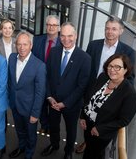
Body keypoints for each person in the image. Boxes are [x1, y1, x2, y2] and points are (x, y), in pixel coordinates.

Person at [75, 16, 136, 154]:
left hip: (110, 100)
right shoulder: (93, 45)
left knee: (100, 139)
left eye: (114, 29)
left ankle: (94, 146)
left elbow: (130, 78)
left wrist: (118, 99)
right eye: (107, 28)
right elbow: (86, 70)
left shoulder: (128, 52)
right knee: (89, 126)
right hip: (92, 95)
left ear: (121, 31)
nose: (110, 32)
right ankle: (87, 142)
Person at [41, 22, 91, 159]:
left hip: (71, 104)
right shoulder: (54, 52)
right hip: (53, 101)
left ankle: (68, 151)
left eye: (69, 35)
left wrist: (65, 103)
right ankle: (54, 144)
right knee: (54, 126)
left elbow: (82, 86)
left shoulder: (85, 58)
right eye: (62, 35)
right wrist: (49, 97)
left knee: (71, 130)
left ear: (76, 36)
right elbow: (47, 76)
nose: (66, 39)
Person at [80, 54, 136, 159]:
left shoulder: (130, 94)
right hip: (87, 125)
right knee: (88, 149)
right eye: (110, 66)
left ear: (126, 70)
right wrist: (83, 117)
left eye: (117, 67)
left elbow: (124, 120)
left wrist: (100, 129)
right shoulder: (103, 77)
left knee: (94, 154)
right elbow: (89, 97)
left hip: (101, 133)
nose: (112, 70)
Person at [8, 31, 46, 159]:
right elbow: (11, 82)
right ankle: (21, 147)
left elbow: (40, 93)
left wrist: (35, 114)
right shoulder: (12, 58)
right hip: (15, 105)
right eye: (19, 44)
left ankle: (29, 154)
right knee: (19, 131)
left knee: (31, 135)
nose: (22, 47)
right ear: (16, 45)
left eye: (25, 44)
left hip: (30, 109)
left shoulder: (39, 66)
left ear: (31, 45)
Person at [32, 15, 61, 134]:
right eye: (49, 24)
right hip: (39, 80)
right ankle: (44, 125)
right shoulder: (37, 40)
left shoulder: (63, 42)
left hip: (55, 83)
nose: (51, 27)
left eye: (54, 25)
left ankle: (53, 129)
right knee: (41, 105)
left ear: (59, 28)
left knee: (54, 108)